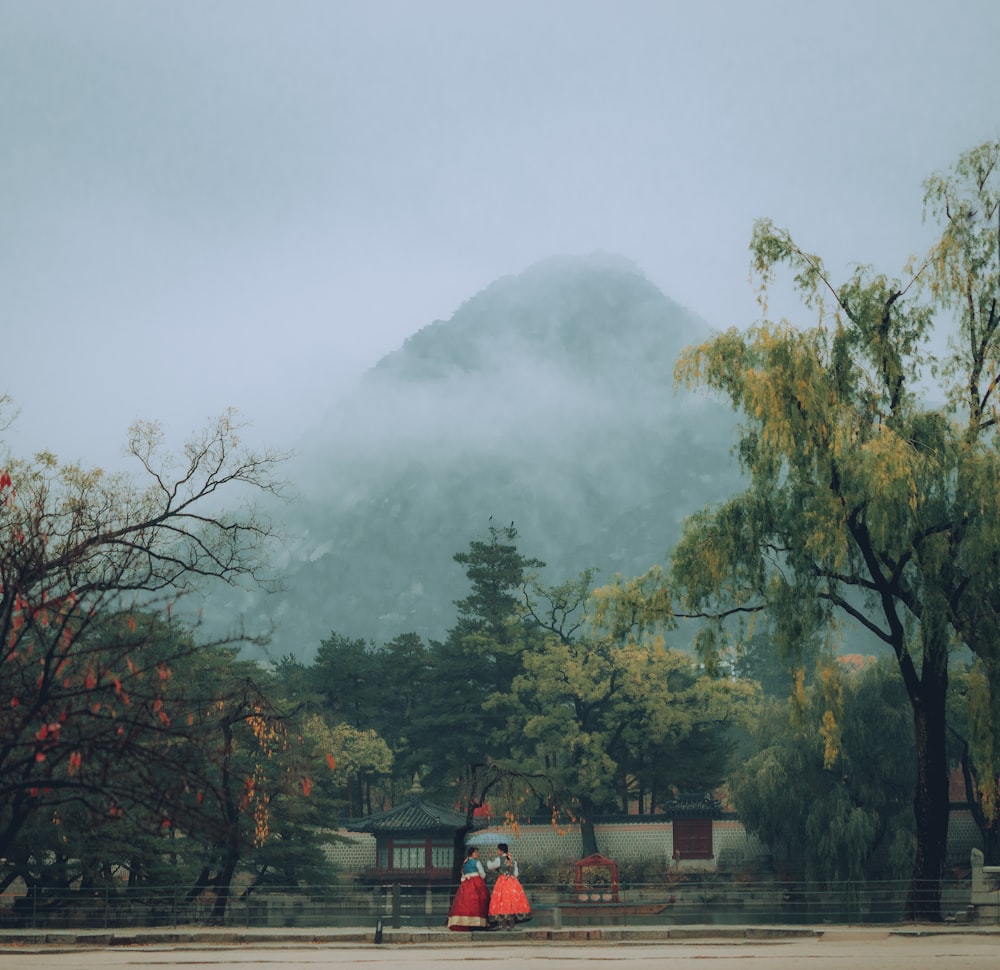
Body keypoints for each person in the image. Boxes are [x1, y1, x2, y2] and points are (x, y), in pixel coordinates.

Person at [486, 842, 531, 929]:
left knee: (502, 903)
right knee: (512, 904)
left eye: (498, 850)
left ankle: (503, 927)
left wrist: (489, 858)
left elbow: (490, 866)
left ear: (501, 851)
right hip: (513, 883)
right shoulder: (512, 860)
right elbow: (516, 873)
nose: (497, 851)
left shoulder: (499, 859)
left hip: (503, 882)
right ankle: (512, 926)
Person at [447, 846, 490, 930]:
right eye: (476, 852)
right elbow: (483, 874)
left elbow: (463, 873)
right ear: (472, 853)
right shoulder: (477, 862)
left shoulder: (465, 862)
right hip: (476, 883)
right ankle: (478, 922)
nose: (477, 854)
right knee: (480, 900)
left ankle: (465, 922)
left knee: (465, 902)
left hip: (466, 884)